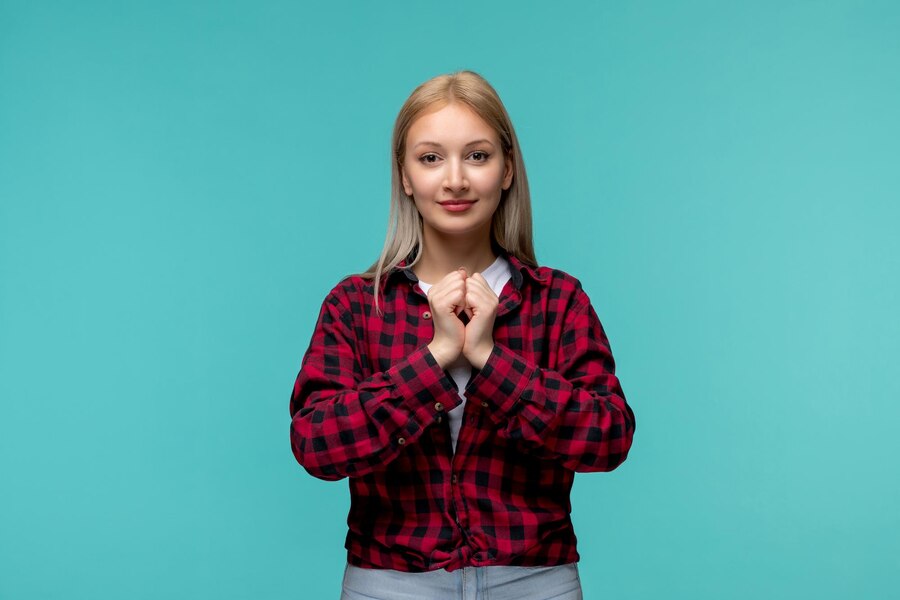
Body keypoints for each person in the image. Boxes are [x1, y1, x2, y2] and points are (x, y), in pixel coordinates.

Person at [289, 70, 636, 600]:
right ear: (405, 176)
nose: (455, 180)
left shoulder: (558, 300)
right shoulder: (358, 304)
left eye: (477, 155)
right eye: (430, 158)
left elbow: (608, 437)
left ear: (507, 170)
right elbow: (317, 445)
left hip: (535, 582)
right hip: (390, 584)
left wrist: (491, 360)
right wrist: (435, 360)